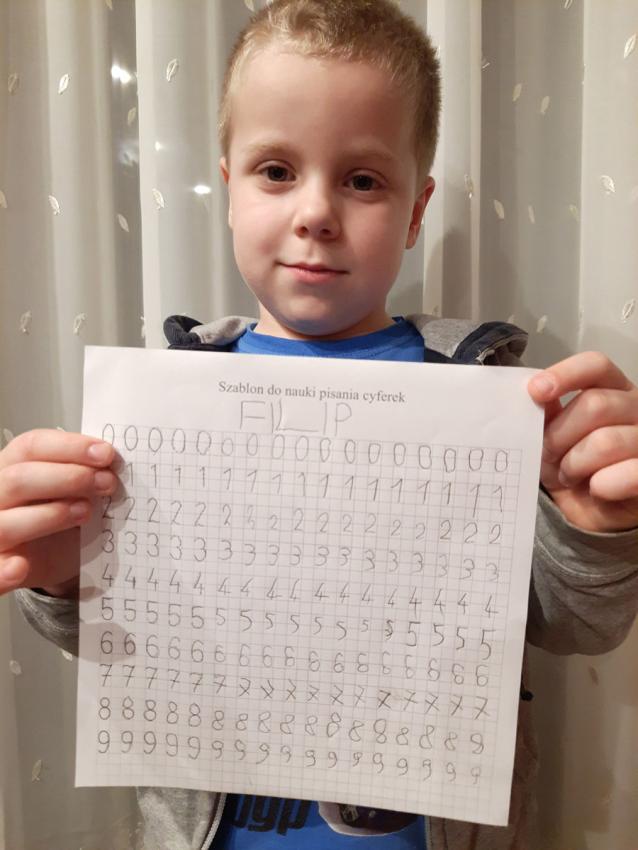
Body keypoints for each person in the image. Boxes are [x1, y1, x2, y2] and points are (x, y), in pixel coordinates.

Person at [2, 1, 638, 848]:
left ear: (416, 212)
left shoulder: (485, 405)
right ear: (228, 192)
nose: (316, 213)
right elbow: (127, 647)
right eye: (275, 171)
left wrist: (594, 529)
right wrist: (62, 578)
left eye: (363, 180)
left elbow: (575, 625)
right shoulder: (162, 412)